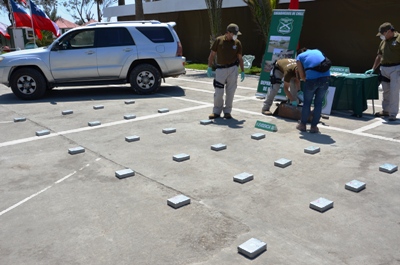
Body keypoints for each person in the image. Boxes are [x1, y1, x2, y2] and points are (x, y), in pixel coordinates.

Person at [207, 23, 245, 119]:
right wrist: (209, 67)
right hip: (221, 69)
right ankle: (216, 111)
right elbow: (212, 55)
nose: (235, 36)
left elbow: (240, 58)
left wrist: (243, 71)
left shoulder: (237, 43)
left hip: (233, 69)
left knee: (230, 92)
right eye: (234, 34)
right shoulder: (219, 40)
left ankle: (227, 111)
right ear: (228, 32)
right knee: (218, 92)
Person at [366, 22, 400, 121]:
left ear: (389, 31)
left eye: (382, 33)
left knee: (394, 91)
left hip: (396, 68)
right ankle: (386, 110)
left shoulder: (398, 39)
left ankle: (393, 114)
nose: (381, 36)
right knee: (386, 91)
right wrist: (373, 68)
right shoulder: (383, 41)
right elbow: (379, 56)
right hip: (384, 68)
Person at [296, 48, 330, 133]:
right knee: (318, 103)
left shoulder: (299, 57)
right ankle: (314, 127)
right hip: (325, 79)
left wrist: (305, 79)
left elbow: (301, 75)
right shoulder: (318, 51)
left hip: (312, 80)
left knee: (307, 103)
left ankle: (303, 125)